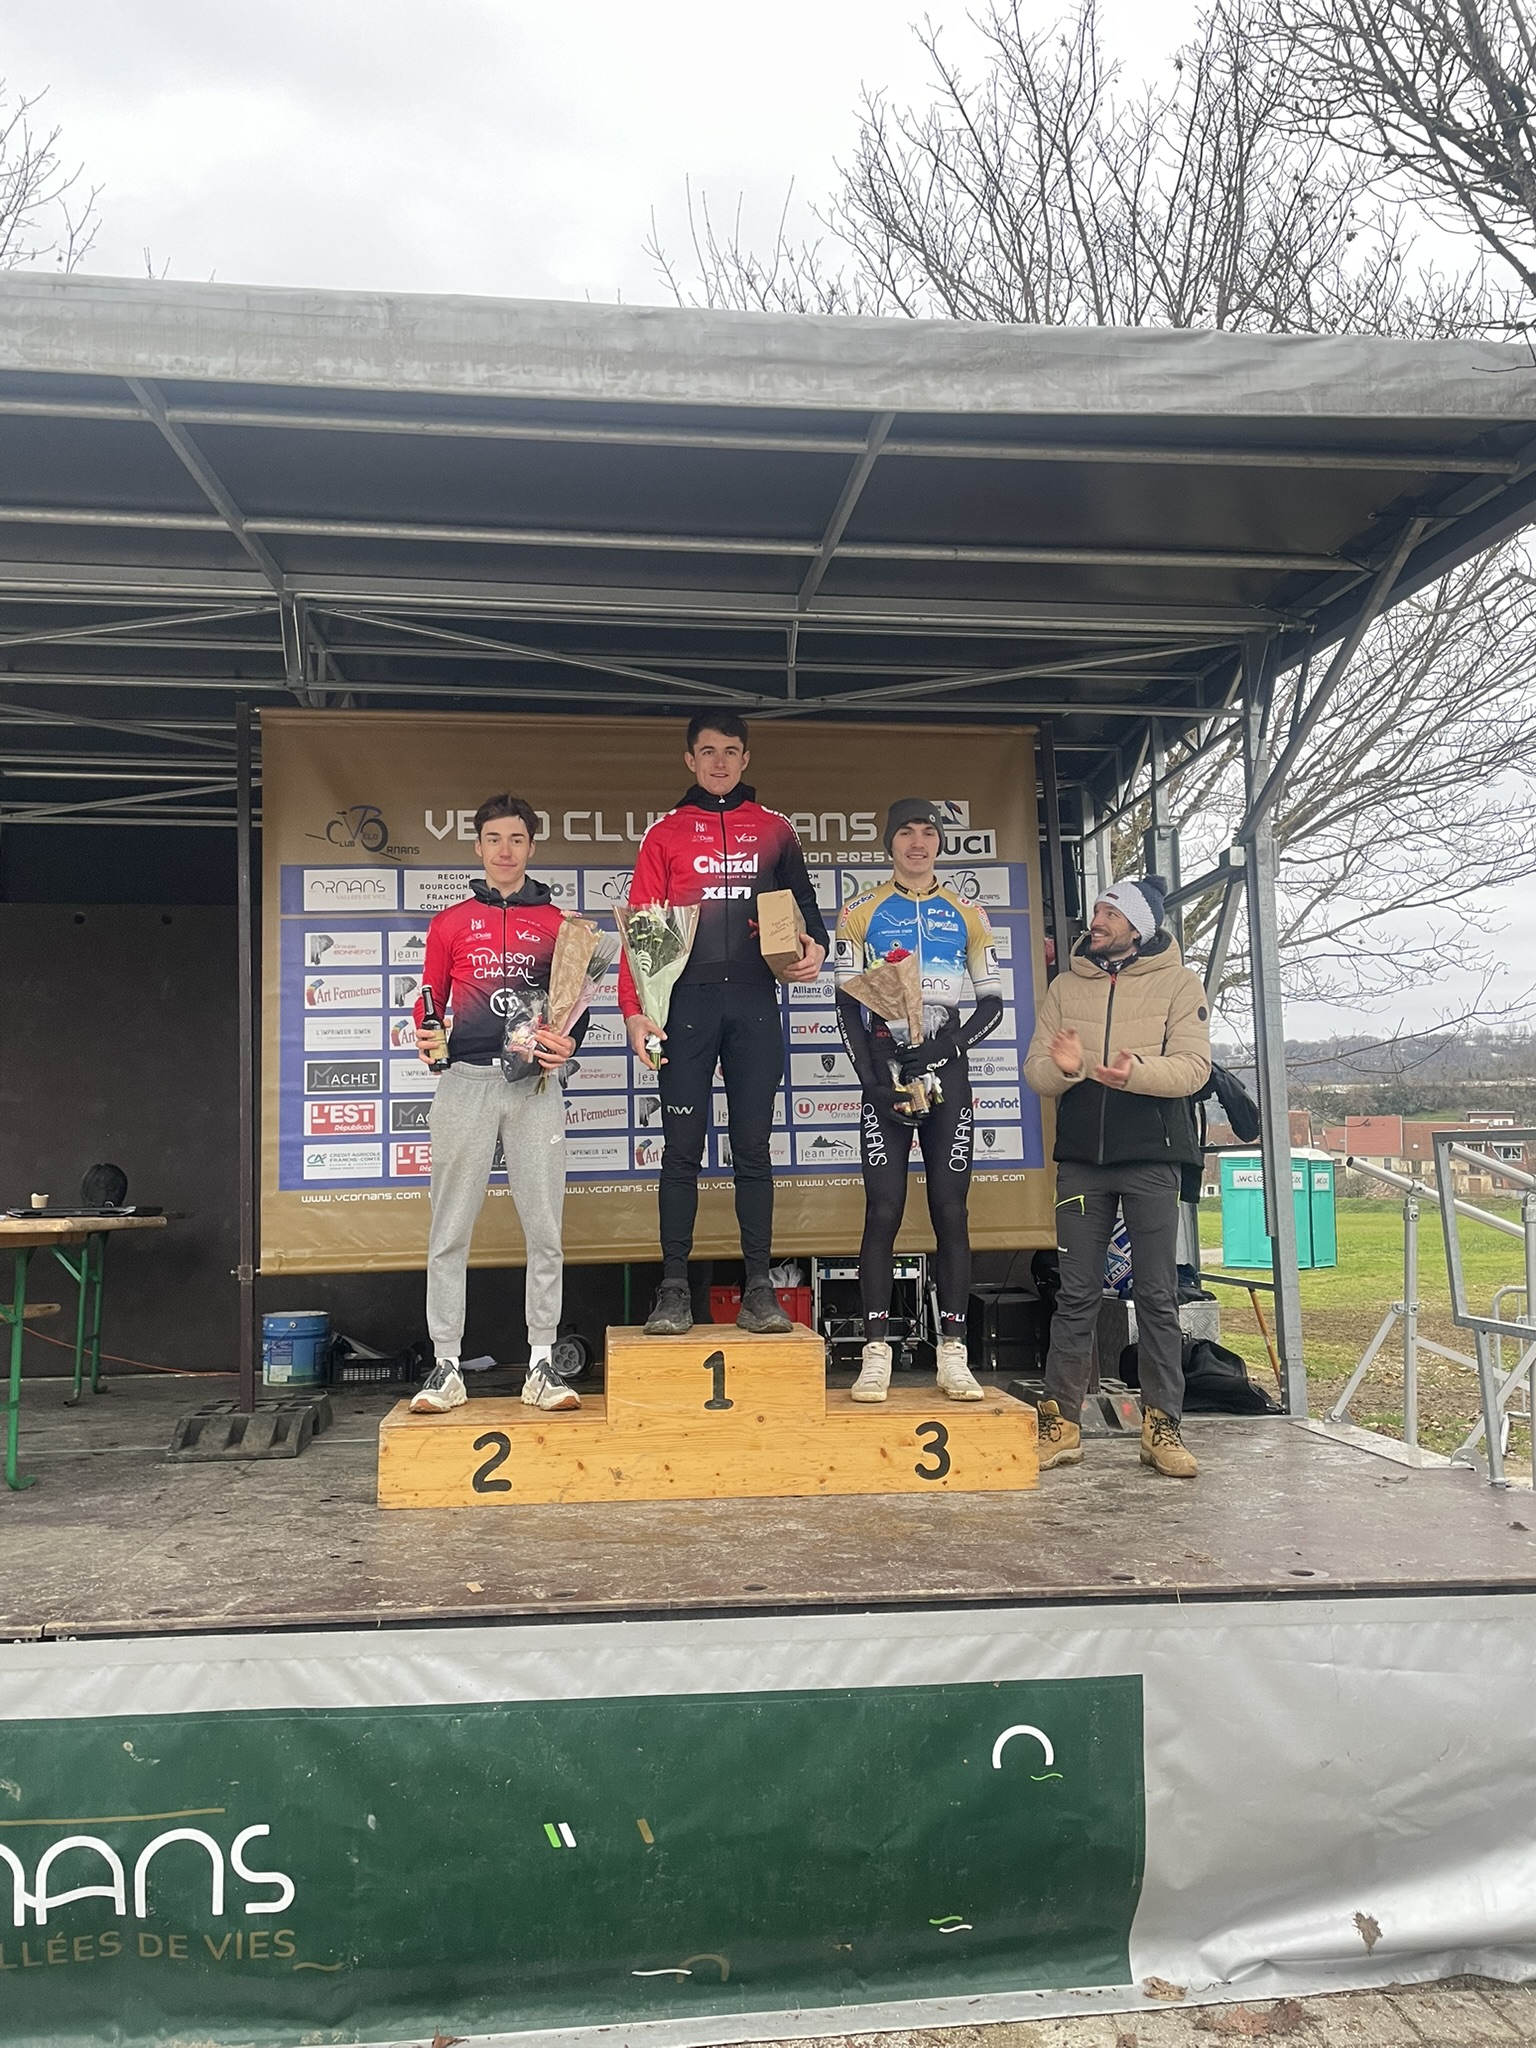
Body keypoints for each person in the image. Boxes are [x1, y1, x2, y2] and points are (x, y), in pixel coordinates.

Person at [619, 713, 829, 1335]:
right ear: (690, 760)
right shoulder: (664, 834)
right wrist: (635, 1011)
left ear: (745, 759)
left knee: (754, 1150)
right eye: (707, 752)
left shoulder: (775, 828)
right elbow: (642, 931)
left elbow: (806, 911)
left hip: (756, 1003)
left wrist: (813, 949)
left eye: (731, 751)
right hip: (686, 1005)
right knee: (681, 1151)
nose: (719, 762)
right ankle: (673, 1289)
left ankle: (759, 1289)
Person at [1022, 876, 1211, 1479]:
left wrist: (1136, 1073)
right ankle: (1060, 1425)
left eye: (1111, 912)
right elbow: (1035, 1071)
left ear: (1139, 926)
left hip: (1152, 1158)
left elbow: (1194, 1068)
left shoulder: (1179, 983)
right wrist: (1066, 1068)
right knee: (1075, 1294)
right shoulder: (1065, 985)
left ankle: (1162, 1428)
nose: (1097, 920)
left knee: (1156, 1296)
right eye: (1098, 909)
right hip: (1082, 1161)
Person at [409, 795, 587, 1416]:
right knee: (449, 1229)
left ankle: (542, 1363)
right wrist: (426, 1032)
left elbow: (575, 1010)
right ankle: (446, 1365)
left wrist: (569, 1044)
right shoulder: (450, 923)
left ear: (531, 847)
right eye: (493, 839)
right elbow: (429, 999)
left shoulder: (562, 925)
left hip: (534, 1087)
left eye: (516, 839)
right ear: (478, 847)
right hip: (465, 1082)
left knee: (545, 1229)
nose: (505, 850)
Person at [833, 799, 1005, 1403]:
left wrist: (943, 1048)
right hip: (886, 1071)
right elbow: (846, 1004)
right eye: (905, 832)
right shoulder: (860, 911)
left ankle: (953, 1354)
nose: (917, 842)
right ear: (889, 843)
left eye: (928, 832)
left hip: (946, 1071)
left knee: (950, 1212)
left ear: (939, 843)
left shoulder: (968, 913)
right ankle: (875, 1352)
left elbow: (991, 1004)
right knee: (882, 1211)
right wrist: (872, 1082)